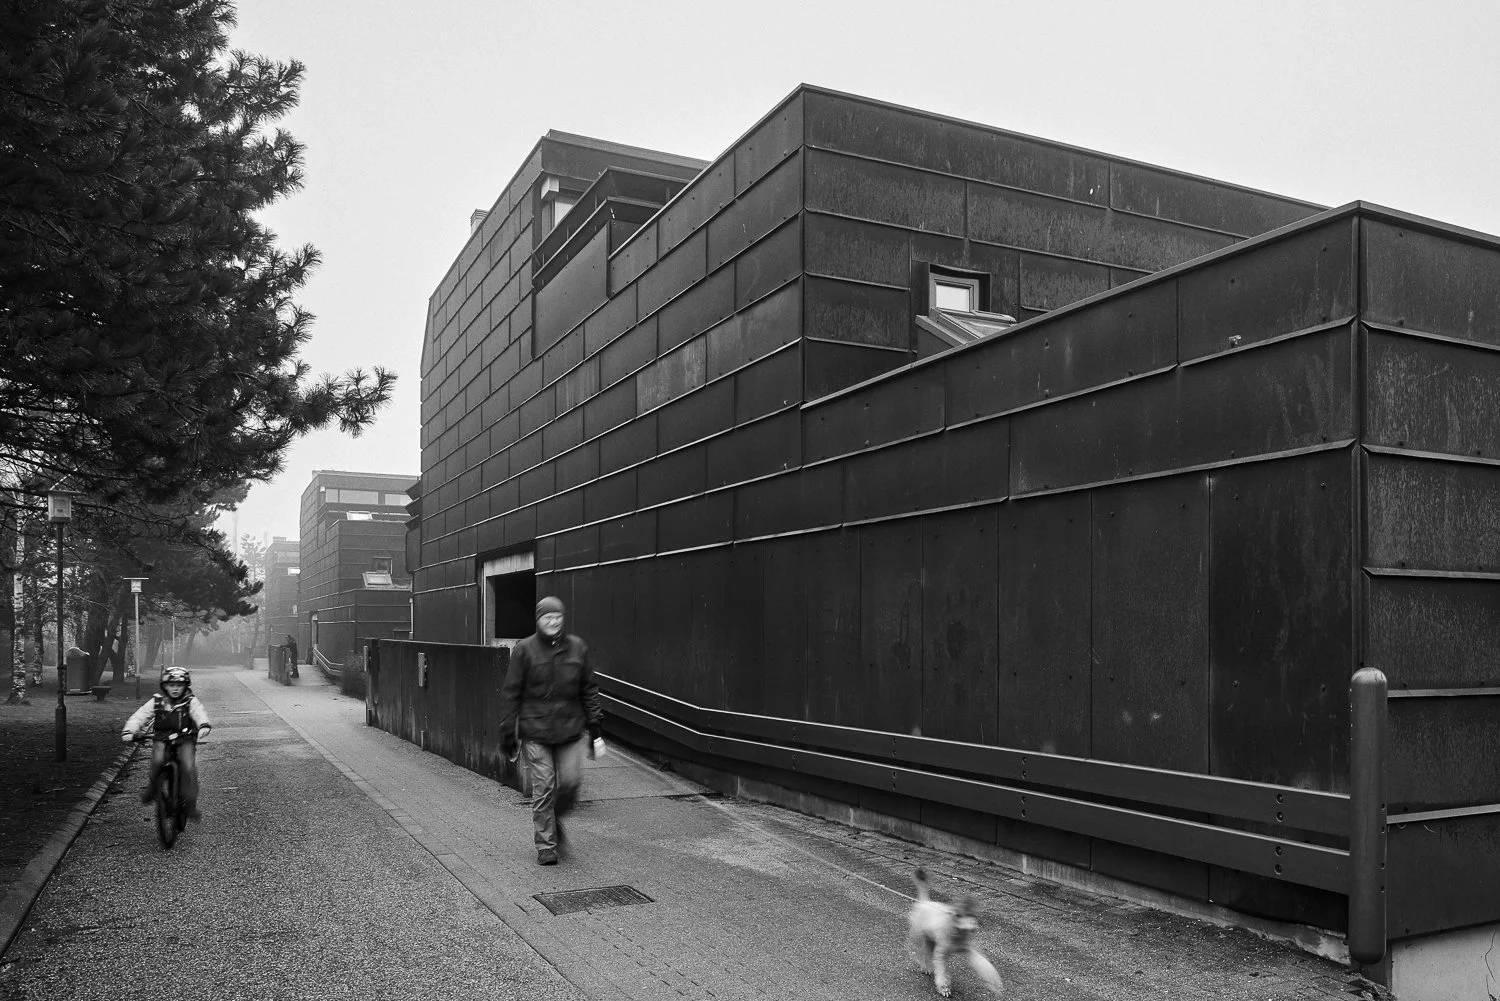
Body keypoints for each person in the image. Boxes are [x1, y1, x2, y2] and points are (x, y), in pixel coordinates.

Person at [497, 596, 603, 866]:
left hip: (570, 730)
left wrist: (596, 727)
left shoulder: (578, 648)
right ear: (538, 620)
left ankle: (554, 818)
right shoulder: (524, 650)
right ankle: (546, 846)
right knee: (544, 787)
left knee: (570, 785)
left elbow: (589, 689)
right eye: (548, 617)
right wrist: (508, 731)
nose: (554, 622)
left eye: (558, 617)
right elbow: (511, 694)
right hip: (536, 731)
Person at [122, 666, 212, 821]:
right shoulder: (157, 701)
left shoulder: (190, 701)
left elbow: (199, 713)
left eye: (179, 685)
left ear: (185, 686)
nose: (175, 689)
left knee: (188, 768)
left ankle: (190, 804)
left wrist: (203, 725)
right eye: (171, 685)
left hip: (185, 738)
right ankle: (153, 788)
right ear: (165, 686)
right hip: (162, 738)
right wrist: (130, 731)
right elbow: (141, 715)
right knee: (157, 761)